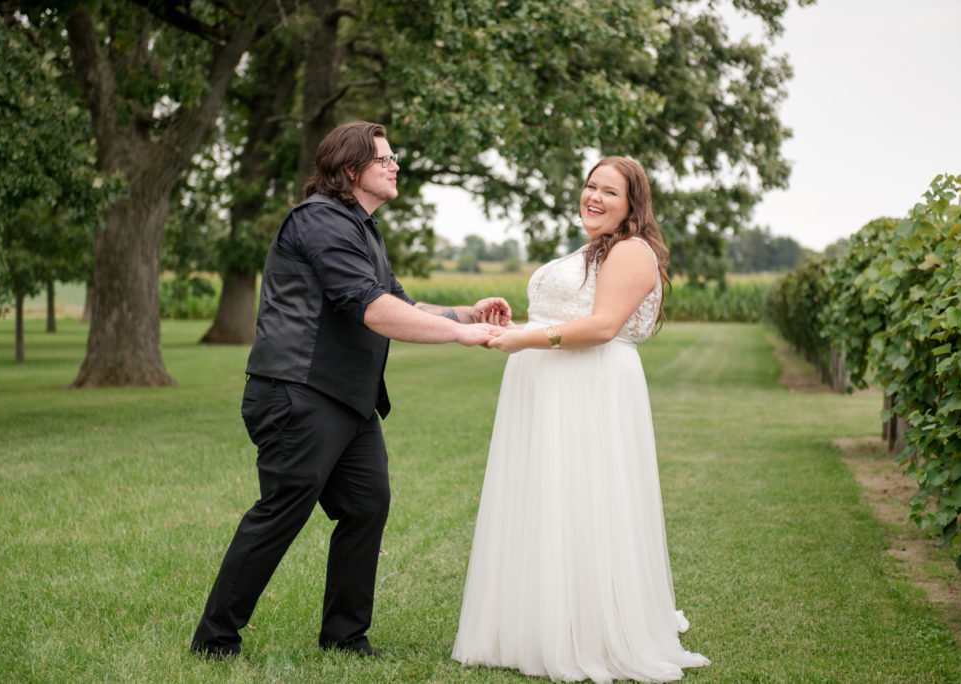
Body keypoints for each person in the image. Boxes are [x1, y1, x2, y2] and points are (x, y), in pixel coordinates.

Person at [191, 121, 508, 660]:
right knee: (282, 510)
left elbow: (401, 302)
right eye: (383, 159)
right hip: (299, 392)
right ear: (349, 169)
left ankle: (344, 635)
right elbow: (373, 308)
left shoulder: (359, 227)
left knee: (366, 505)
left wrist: (464, 312)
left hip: (348, 400)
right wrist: (461, 334)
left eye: (394, 157)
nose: (395, 165)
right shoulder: (319, 221)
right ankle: (215, 638)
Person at [452, 157, 710, 682]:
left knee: (584, 497)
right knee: (545, 498)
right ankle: (533, 623)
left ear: (632, 204)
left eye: (608, 191)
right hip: (549, 385)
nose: (593, 196)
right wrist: (516, 324)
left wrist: (526, 338)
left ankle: (587, 629)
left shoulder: (632, 251)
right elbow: (563, 319)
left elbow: (602, 326)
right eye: (590, 185)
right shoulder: (590, 249)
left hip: (589, 385)